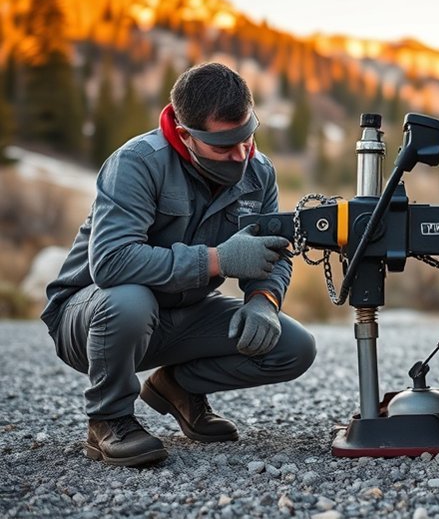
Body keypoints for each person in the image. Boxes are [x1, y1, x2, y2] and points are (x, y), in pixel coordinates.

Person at [40, 62, 317, 467]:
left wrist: (263, 299)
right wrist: (216, 260)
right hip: (93, 318)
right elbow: (111, 263)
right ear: (186, 135)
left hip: (181, 314)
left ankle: (176, 386)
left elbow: (273, 252)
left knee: (294, 348)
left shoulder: (259, 172)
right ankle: (108, 420)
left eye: (247, 137)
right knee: (130, 300)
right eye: (224, 145)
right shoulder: (137, 162)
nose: (240, 154)